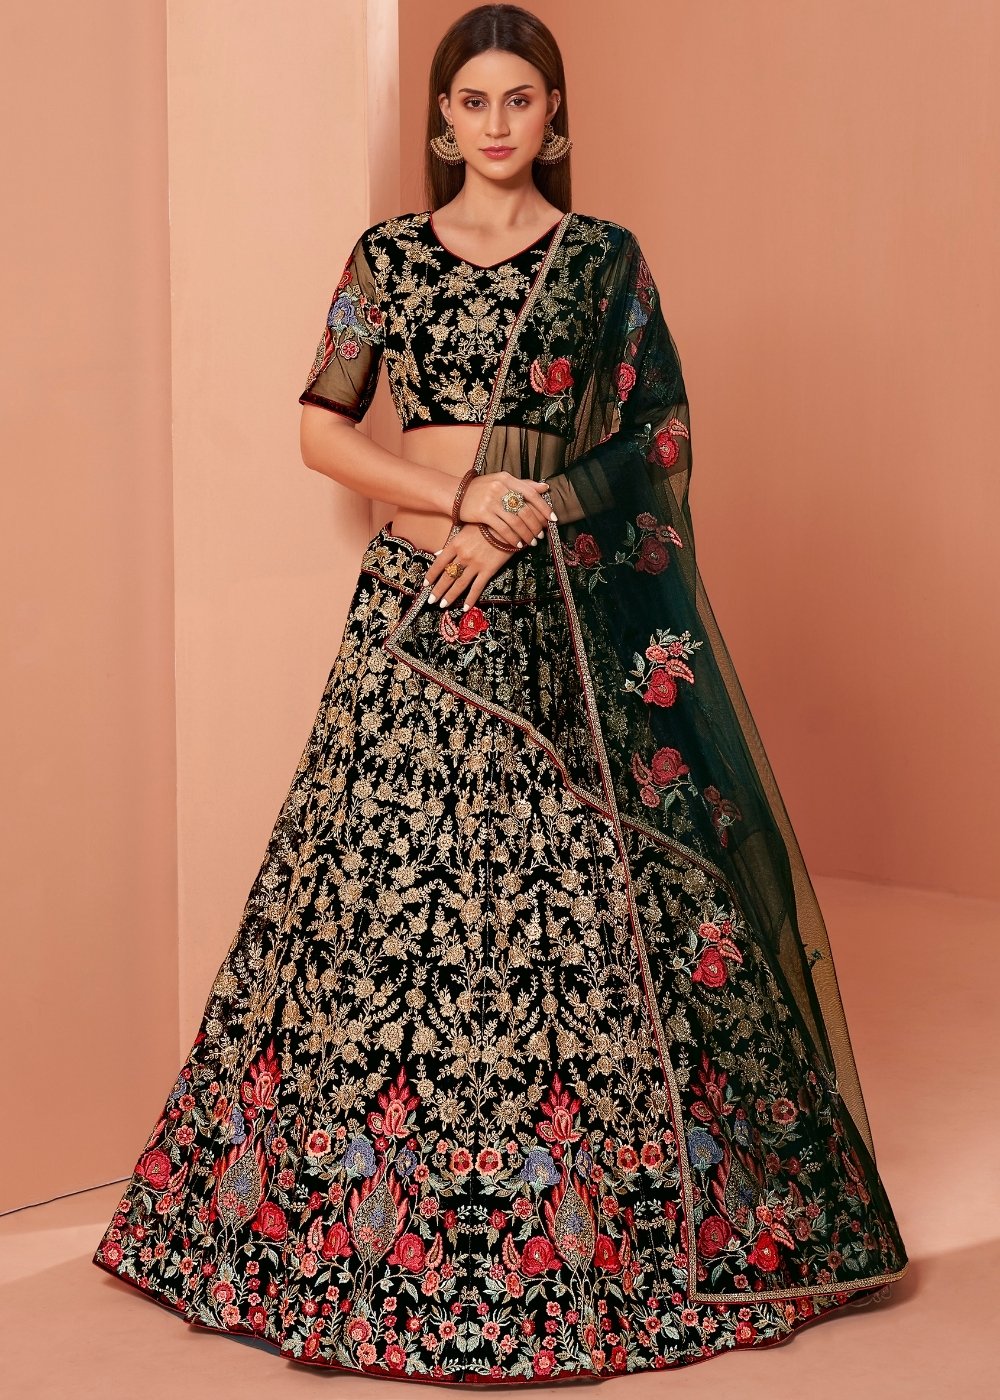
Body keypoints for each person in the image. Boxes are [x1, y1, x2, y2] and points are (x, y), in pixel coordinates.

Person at [92, 3, 909, 1382]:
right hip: (418, 605)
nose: (494, 122)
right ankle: (342, 1235)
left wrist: (531, 513)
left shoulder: (603, 261)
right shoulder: (388, 259)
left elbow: (658, 433)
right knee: (374, 900)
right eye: (471, 100)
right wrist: (457, 500)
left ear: (555, 115)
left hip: (562, 614)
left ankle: (616, 1232)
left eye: (518, 99)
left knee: (581, 900)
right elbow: (321, 427)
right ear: (439, 119)